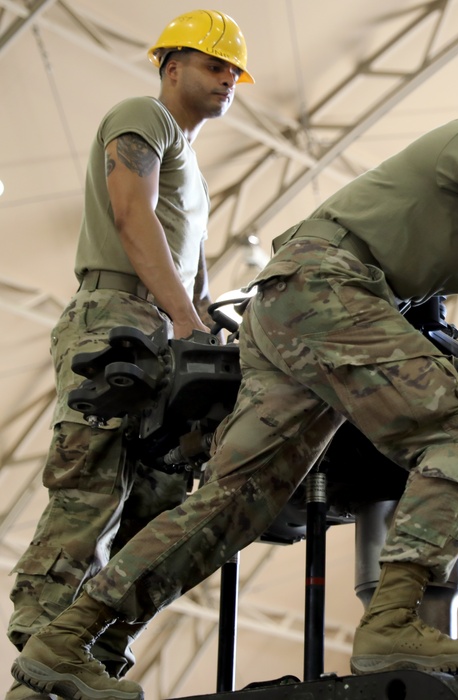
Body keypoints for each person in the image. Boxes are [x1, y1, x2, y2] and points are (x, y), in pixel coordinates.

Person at [12, 58, 458, 700]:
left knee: (232, 505)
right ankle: (390, 623)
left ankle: (66, 638)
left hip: (295, 304)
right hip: (324, 287)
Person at [5, 10, 252, 700]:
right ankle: (46, 634)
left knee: (162, 498)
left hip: (164, 332)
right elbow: (130, 212)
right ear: (171, 67)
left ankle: (96, 646)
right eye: (213, 64)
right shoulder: (144, 116)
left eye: (233, 70)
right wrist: (181, 317)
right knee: (91, 486)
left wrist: (205, 334)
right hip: (115, 317)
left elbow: (193, 278)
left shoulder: (194, 174)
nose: (227, 78)